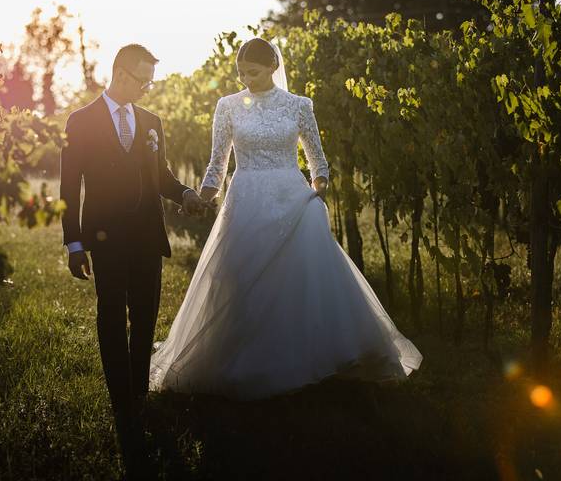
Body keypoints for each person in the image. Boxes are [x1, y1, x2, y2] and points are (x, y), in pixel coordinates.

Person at [150, 37, 422, 400]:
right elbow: (218, 162)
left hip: (293, 200)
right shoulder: (227, 106)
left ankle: (315, 357)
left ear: (274, 66)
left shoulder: (299, 105)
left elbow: (317, 159)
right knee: (242, 277)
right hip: (246, 198)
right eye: (242, 73)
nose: (247, 79)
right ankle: (243, 359)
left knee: (301, 279)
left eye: (255, 72)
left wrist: (318, 189)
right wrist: (203, 196)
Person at [59, 43, 208, 463]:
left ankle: (140, 391)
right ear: (121, 74)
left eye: (150, 80)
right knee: (110, 314)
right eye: (143, 79)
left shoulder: (151, 122)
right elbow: (68, 190)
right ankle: (120, 400)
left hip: (146, 235)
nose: (148, 87)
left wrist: (185, 194)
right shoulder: (80, 121)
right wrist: (74, 242)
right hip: (104, 238)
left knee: (144, 315)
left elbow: (161, 176)